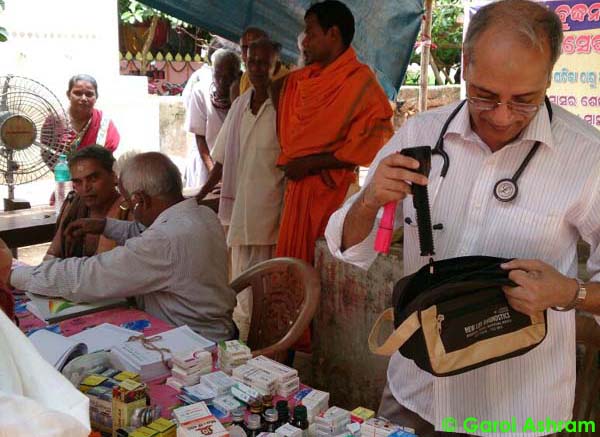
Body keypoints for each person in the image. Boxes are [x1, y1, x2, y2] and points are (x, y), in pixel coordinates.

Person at [325, 1, 600, 436]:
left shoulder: (587, 157)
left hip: (516, 412)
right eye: (486, 95)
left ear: (549, 77)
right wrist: (368, 200)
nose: (503, 116)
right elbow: (348, 246)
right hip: (415, 391)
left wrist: (570, 291)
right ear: (466, 65)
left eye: (525, 101)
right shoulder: (420, 135)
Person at [10, 152, 237, 342]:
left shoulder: (163, 241)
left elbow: (88, 276)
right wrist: (105, 226)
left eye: (129, 203)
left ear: (141, 200)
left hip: (195, 342)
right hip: (214, 328)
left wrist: (15, 274)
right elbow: (144, 231)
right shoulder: (201, 214)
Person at [274, 0, 393, 265]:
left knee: (323, 268)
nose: (304, 42)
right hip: (296, 193)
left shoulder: (360, 82)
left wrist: (310, 163)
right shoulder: (302, 80)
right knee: (290, 272)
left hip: (332, 194)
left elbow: (373, 144)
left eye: (311, 34)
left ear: (333, 34)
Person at [197, 38, 285, 340]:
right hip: (238, 215)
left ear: (276, 66)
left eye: (265, 62)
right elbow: (220, 160)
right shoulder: (239, 105)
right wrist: (198, 196)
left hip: (270, 216)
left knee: (265, 291)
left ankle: (256, 346)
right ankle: (243, 347)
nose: (258, 68)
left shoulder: (283, 109)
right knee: (239, 287)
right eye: (253, 62)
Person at [46, 146, 132, 259]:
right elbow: (52, 255)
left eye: (93, 178)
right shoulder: (73, 204)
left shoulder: (128, 211)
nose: (85, 188)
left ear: (114, 176)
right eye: (78, 182)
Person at [184, 49, 241, 188]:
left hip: (236, 166)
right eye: (218, 74)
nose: (222, 81)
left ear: (238, 75)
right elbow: (200, 137)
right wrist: (213, 174)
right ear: (212, 72)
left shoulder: (244, 93)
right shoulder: (200, 91)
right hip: (208, 164)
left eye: (229, 76)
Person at [42, 74, 120, 165]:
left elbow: (107, 155)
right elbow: (46, 152)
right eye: (78, 93)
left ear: (96, 97)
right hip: (63, 176)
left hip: (96, 176)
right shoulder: (55, 121)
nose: (83, 98)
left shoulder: (104, 123)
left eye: (89, 94)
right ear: (68, 94)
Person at [231, 27, 290, 101]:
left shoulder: (286, 77)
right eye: (245, 48)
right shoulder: (245, 77)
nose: (249, 52)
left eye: (255, 46)